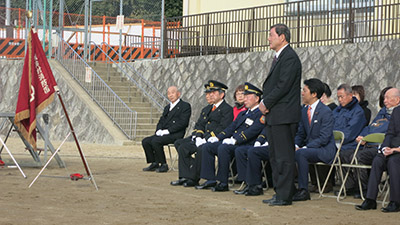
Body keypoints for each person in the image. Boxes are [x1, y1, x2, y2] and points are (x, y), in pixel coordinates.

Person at [259, 24, 302, 206]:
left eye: (271, 35)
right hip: (275, 116)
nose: (268, 38)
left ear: (282, 37)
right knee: (275, 156)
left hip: (284, 115)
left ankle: (285, 195)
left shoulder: (289, 58)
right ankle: (280, 192)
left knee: (284, 157)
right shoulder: (279, 57)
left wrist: (265, 102)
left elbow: (283, 85)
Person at [195, 83, 265, 192]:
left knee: (224, 148)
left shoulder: (260, 113)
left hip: (247, 143)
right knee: (208, 147)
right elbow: (231, 128)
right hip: (235, 142)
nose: (244, 99)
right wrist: (218, 138)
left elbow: (253, 130)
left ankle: (224, 182)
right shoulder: (243, 114)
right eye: (244, 96)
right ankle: (210, 179)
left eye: (247, 96)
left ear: (257, 99)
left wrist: (235, 140)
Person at [171, 80, 233, 187]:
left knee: (201, 149)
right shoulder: (206, 109)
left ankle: (194, 178)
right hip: (202, 137)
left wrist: (207, 138)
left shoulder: (227, 109)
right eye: (208, 93)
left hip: (215, 139)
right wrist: (198, 136)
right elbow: (199, 125)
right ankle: (185, 176)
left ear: (222, 94)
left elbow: (223, 127)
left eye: (213, 93)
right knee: (182, 146)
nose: (209, 96)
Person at [342, 87, 400, 197]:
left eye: (387, 98)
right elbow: (371, 126)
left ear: (397, 100)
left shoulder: (396, 115)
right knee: (344, 154)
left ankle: (364, 189)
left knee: (359, 157)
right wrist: (362, 136)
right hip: (367, 145)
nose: (384, 101)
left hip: (380, 146)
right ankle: (351, 187)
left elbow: (389, 133)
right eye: (384, 98)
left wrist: (371, 139)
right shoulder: (382, 112)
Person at [292, 78, 336, 201]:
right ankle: (289, 187)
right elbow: (301, 133)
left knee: (301, 153)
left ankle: (303, 190)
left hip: (325, 149)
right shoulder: (305, 110)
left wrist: (306, 147)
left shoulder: (326, 111)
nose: (302, 93)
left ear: (314, 94)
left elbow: (324, 138)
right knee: (290, 151)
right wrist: (296, 144)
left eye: (304, 90)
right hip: (310, 149)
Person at [356, 106, 400, 213]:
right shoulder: (397, 111)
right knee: (378, 160)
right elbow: (389, 133)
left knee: (393, 162)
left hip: (398, 151)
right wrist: (385, 148)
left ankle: (395, 201)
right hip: (391, 149)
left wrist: (396, 149)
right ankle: (370, 199)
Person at [142, 86, 191, 173]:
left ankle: (164, 164)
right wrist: (159, 130)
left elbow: (183, 123)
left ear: (178, 94)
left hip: (175, 134)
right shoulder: (167, 107)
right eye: (168, 93)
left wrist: (168, 131)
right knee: (146, 141)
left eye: (172, 92)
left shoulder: (185, 106)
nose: (170, 95)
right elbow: (162, 120)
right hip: (164, 133)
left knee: (156, 141)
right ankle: (154, 162)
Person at [234, 128, 270, 196]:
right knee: (240, 151)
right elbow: (266, 130)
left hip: (278, 145)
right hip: (266, 143)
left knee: (253, 152)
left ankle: (256, 186)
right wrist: (259, 141)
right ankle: (247, 183)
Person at [333, 84, 366, 151]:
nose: (339, 100)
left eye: (342, 97)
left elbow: (349, 133)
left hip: (346, 146)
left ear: (350, 95)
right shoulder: (337, 110)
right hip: (332, 143)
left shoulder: (358, 112)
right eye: (338, 97)